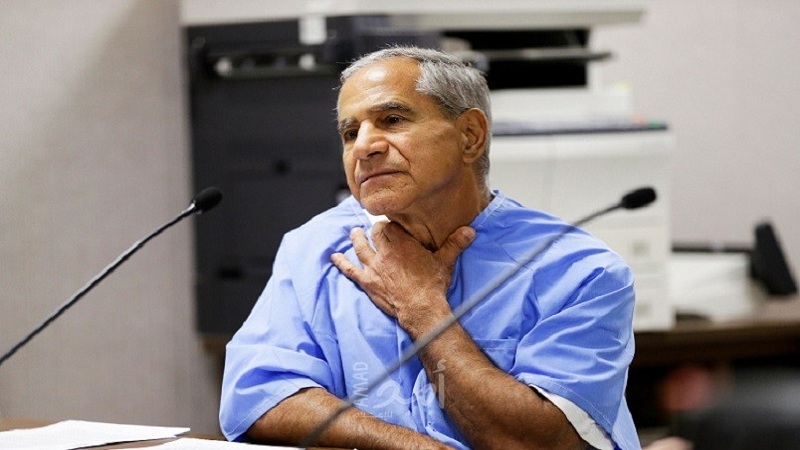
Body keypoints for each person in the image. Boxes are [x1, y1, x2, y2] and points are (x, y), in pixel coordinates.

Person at [219, 46, 640, 450]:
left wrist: (422, 307)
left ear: (470, 136)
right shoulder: (316, 247)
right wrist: (411, 447)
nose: (363, 146)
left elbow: (539, 444)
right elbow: (256, 398)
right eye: (350, 132)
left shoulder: (582, 272)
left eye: (392, 120)